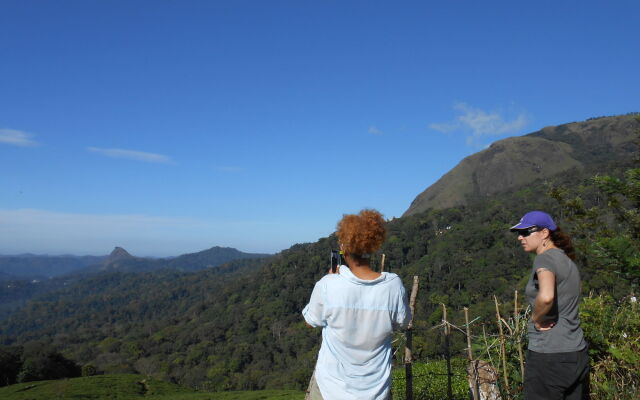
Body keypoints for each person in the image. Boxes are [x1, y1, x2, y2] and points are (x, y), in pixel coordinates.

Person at [302, 209, 411, 400]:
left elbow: (311, 321)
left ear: (343, 247)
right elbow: (402, 322)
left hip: (330, 388)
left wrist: (329, 279)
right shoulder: (393, 286)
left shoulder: (328, 285)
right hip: (377, 390)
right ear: (374, 245)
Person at [510, 210, 589, 400]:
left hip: (549, 354)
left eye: (526, 232)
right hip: (576, 353)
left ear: (544, 233)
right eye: (518, 233)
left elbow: (546, 297)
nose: (520, 237)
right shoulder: (567, 261)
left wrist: (537, 319)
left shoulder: (544, 259)